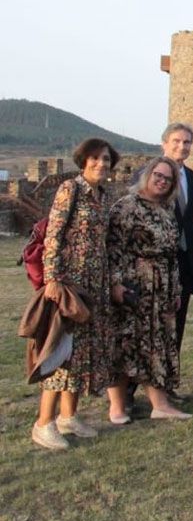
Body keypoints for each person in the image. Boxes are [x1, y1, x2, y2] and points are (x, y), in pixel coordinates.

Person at [30, 139, 118, 449]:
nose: (100, 164)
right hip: (69, 282)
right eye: (94, 158)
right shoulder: (71, 189)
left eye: (106, 159)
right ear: (84, 160)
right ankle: (44, 423)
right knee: (62, 349)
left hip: (95, 283)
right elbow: (54, 233)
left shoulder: (105, 196)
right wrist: (53, 278)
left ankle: (69, 416)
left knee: (81, 351)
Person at [107, 157, 191, 420]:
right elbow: (113, 248)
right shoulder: (127, 206)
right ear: (147, 174)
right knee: (126, 344)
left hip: (162, 286)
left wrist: (175, 289)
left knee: (156, 345)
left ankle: (160, 405)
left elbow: (172, 252)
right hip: (134, 286)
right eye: (158, 175)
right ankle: (118, 407)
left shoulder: (166, 209)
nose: (162, 181)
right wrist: (116, 284)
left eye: (168, 178)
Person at [162, 123, 193, 401]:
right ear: (164, 143)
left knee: (175, 327)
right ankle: (130, 391)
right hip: (157, 263)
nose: (182, 146)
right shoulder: (151, 174)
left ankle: (168, 384)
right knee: (151, 327)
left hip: (184, 263)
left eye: (187, 142)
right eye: (176, 141)